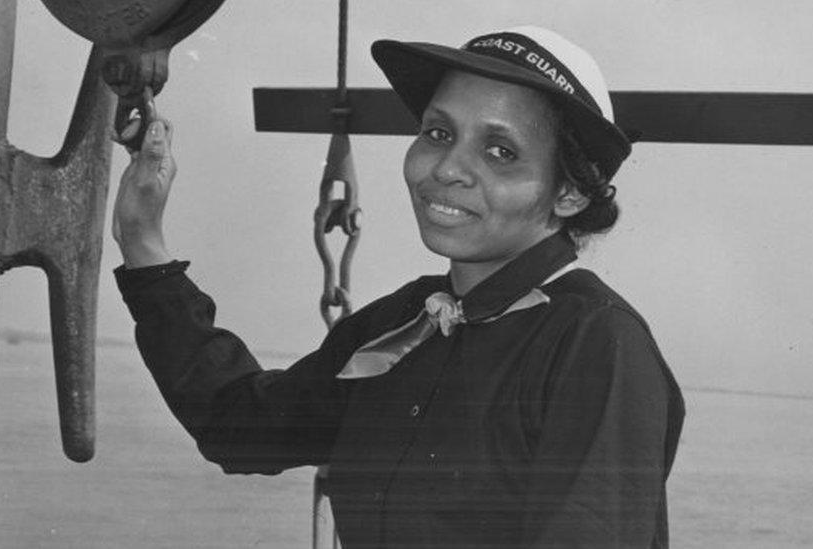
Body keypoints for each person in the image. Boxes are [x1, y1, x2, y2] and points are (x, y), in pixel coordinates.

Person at [112, 26, 684, 548]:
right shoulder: (408, 322)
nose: (447, 168)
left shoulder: (595, 344)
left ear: (570, 194)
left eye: (500, 152)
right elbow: (237, 428)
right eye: (438, 133)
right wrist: (143, 244)